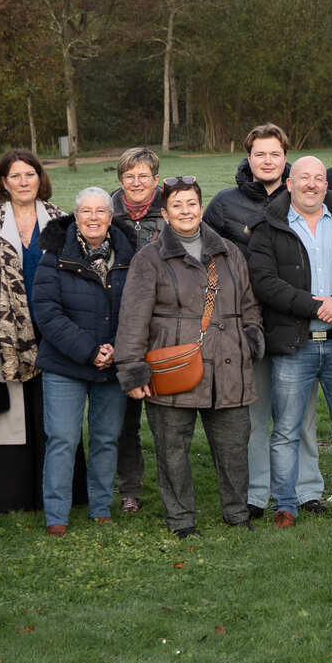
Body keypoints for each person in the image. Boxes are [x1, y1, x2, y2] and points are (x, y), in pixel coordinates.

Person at [114, 176, 263, 537]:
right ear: (164, 213)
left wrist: (252, 339)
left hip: (228, 364)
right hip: (173, 365)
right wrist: (133, 370)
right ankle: (181, 520)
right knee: (172, 450)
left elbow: (248, 304)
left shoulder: (229, 251)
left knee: (233, 447)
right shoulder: (149, 258)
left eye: (191, 204)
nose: (186, 211)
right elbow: (134, 316)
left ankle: (236, 513)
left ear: (201, 207)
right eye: (177, 205)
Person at [247, 157, 332, 526]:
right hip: (294, 344)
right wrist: (312, 305)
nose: (312, 184)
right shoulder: (269, 226)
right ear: (290, 183)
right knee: (286, 430)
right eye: (304, 178)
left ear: (326, 184)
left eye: (319, 178)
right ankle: (285, 505)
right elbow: (264, 280)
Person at [203, 125, 310, 519]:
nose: (268, 161)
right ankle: (257, 493)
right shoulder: (224, 205)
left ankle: (305, 489)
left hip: (294, 319)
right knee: (255, 412)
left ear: (286, 158)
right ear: (249, 158)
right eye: (260, 154)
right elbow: (208, 262)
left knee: (300, 413)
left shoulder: (303, 196)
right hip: (245, 323)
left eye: (275, 154)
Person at [31, 188, 138, 535]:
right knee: (63, 438)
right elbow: (47, 314)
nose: (93, 218)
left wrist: (115, 350)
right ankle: (57, 515)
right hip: (66, 365)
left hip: (112, 365)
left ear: (111, 217)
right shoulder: (54, 256)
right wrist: (91, 351)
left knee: (107, 438)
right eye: (85, 212)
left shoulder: (130, 255)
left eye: (100, 211)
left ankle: (101, 506)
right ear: (75, 217)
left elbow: (137, 309)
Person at [0, 149, 64, 512]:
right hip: (5, 335)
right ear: (3, 183)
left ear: (40, 179)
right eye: (15, 176)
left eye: (30, 174)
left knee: (52, 414)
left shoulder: (61, 222)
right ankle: (10, 494)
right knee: (11, 415)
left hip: (53, 333)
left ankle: (52, 492)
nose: (24, 182)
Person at [109, 146, 166, 515]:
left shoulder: (169, 215)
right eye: (129, 176)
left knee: (166, 417)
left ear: (155, 180)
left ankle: (172, 485)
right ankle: (129, 486)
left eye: (143, 175)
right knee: (124, 417)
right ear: (120, 180)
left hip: (161, 326)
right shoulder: (106, 215)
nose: (136, 182)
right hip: (120, 325)